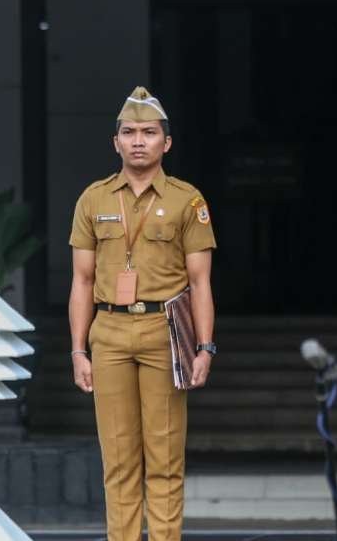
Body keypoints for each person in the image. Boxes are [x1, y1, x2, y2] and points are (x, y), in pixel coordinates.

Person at [68, 86, 217, 541]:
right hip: (109, 331)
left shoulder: (187, 201)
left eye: (149, 132)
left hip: (164, 333)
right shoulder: (93, 200)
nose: (138, 140)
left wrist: (205, 347)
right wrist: (78, 349)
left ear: (165, 143)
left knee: (165, 456)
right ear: (115, 142)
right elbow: (82, 281)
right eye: (129, 132)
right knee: (118, 459)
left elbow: (200, 283)